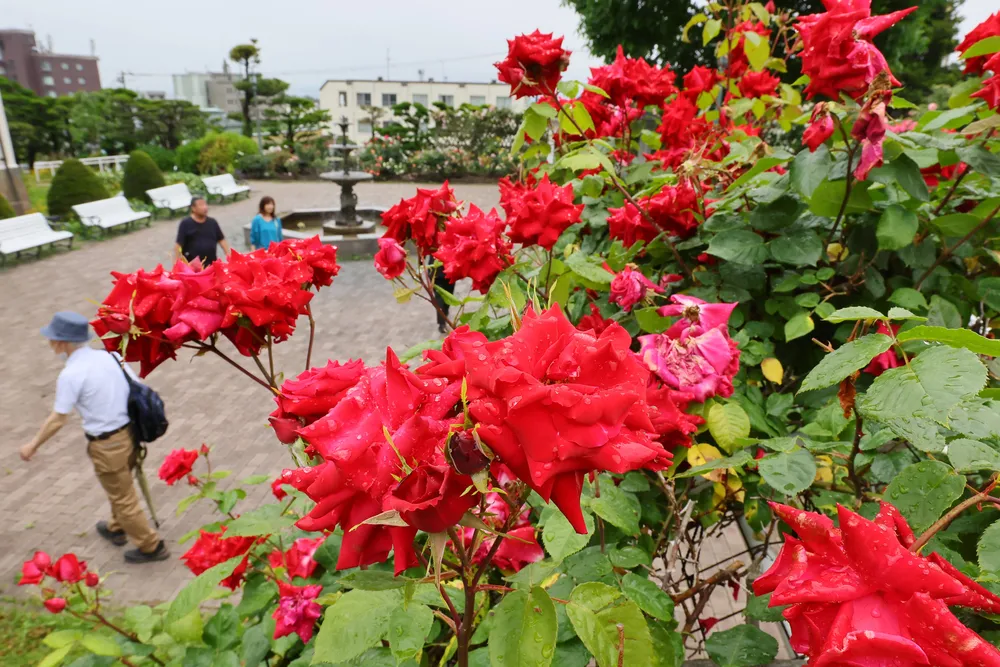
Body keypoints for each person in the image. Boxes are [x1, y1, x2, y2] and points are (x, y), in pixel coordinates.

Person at [20, 312, 169, 564]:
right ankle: (116, 527)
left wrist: (32, 445)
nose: (50, 344)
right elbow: (136, 386)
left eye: (52, 339)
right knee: (119, 485)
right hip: (129, 434)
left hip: (106, 445)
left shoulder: (71, 374)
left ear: (62, 343)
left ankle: (151, 546)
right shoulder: (111, 356)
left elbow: (58, 419)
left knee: (124, 497)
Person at [174, 197, 230, 266]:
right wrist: (176, 264)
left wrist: (229, 257)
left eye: (205, 204)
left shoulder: (212, 222)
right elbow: (178, 245)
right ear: (193, 208)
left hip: (211, 264)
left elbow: (221, 240)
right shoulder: (185, 223)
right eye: (201, 205)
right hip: (192, 266)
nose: (205, 207)